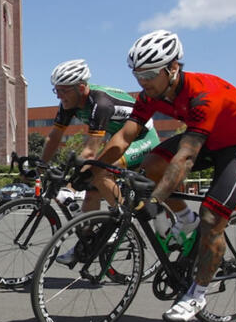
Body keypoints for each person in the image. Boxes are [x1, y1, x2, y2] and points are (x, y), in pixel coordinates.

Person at [99, 30, 236, 322]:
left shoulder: (205, 94)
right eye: (137, 74)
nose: (143, 81)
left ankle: (197, 293)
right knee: (152, 162)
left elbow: (186, 158)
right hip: (207, 140)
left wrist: (156, 199)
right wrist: (93, 167)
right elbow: (126, 135)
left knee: (213, 219)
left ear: (173, 68)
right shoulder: (150, 95)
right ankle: (185, 222)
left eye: (150, 73)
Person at [41, 59, 160, 264]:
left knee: (102, 171)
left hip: (142, 139)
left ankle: (124, 219)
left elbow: (90, 150)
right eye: (56, 90)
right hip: (119, 138)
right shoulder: (69, 103)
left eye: (63, 90)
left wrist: (69, 186)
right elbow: (54, 137)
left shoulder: (100, 103)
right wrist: (40, 166)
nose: (59, 96)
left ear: (80, 87)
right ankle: (86, 244)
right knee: (90, 194)